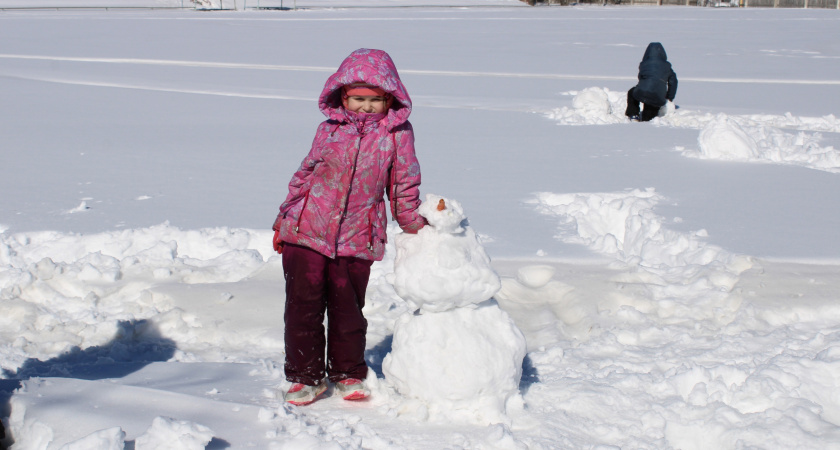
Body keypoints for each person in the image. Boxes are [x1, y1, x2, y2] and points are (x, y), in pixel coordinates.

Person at [271, 48, 425, 406]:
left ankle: (347, 373)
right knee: (302, 307)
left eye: (375, 100)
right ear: (343, 96)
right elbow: (305, 175)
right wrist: (284, 219)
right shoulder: (328, 129)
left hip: (358, 236)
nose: (365, 107)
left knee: (348, 309)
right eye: (358, 99)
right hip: (307, 230)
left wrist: (412, 221)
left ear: (390, 99)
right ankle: (304, 377)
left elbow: (403, 181)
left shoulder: (396, 135)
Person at [625, 42, 678, 122]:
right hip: (657, 96)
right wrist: (669, 98)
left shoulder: (643, 64)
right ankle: (647, 119)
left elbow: (641, 79)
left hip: (642, 92)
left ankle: (633, 114)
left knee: (632, 93)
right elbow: (673, 82)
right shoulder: (667, 66)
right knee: (651, 108)